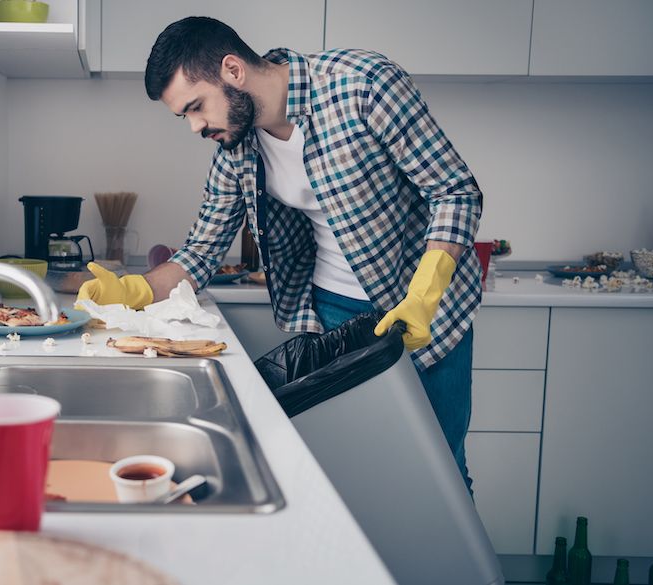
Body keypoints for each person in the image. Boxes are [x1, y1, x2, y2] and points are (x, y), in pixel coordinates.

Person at [76, 17, 483, 491]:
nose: (194, 127)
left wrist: (425, 293)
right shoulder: (237, 145)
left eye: (195, 107)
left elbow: (454, 191)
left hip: (423, 313)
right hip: (333, 315)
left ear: (232, 70)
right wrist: (134, 289)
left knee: (442, 471)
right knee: (359, 476)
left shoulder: (364, 86)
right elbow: (203, 250)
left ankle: (468, 570)